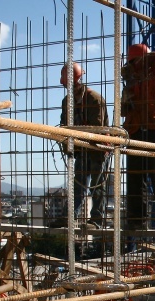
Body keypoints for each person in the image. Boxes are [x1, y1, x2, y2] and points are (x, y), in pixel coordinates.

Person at [121, 43, 155, 230]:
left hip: (154, 127)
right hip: (136, 128)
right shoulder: (131, 78)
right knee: (136, 177)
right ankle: (137, 220)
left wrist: (135, 77)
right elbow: (124, 107)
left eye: (133, 62)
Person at [59, 62, 109, 228]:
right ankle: (70, 217)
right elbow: (64, 125)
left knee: (97, 185)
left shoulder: (94, 99)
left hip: (97, 149)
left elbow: (98, 128)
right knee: (78, 185)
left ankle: (97, 220)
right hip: (81, 149)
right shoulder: (67, 101)